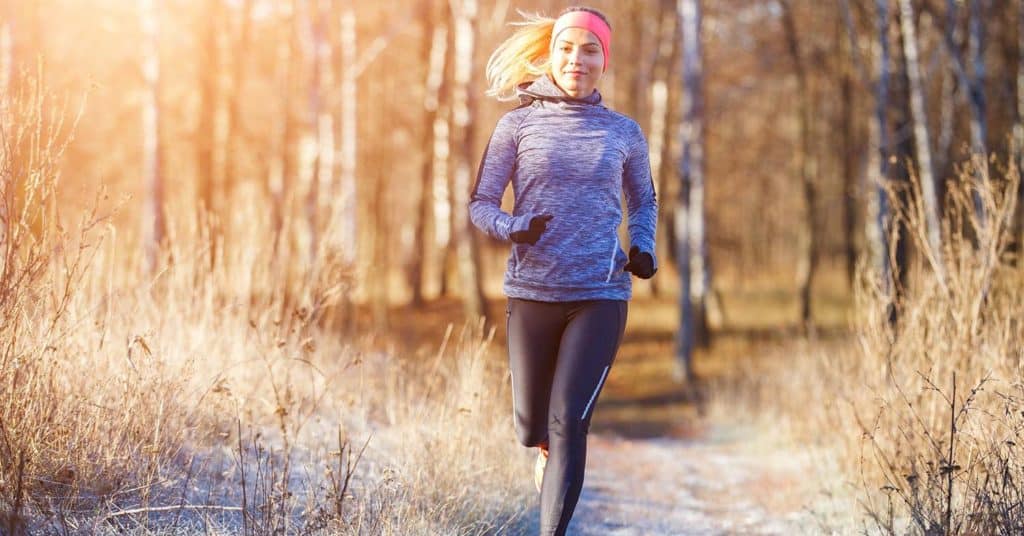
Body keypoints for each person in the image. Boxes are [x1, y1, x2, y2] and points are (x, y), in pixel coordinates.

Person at [468, 6, 658, 535]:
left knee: (569, 420)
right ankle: (544, 448)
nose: (578, 59)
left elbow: (644, 200)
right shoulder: (517, 125)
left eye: (590, 50)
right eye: (567, 49)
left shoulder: (623, 132)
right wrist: (515, 228)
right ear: (550, 57)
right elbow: (481, 203)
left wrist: (642, 248)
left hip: (600, 293)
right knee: (532, 426)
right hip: (532, 292)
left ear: (604, 60)